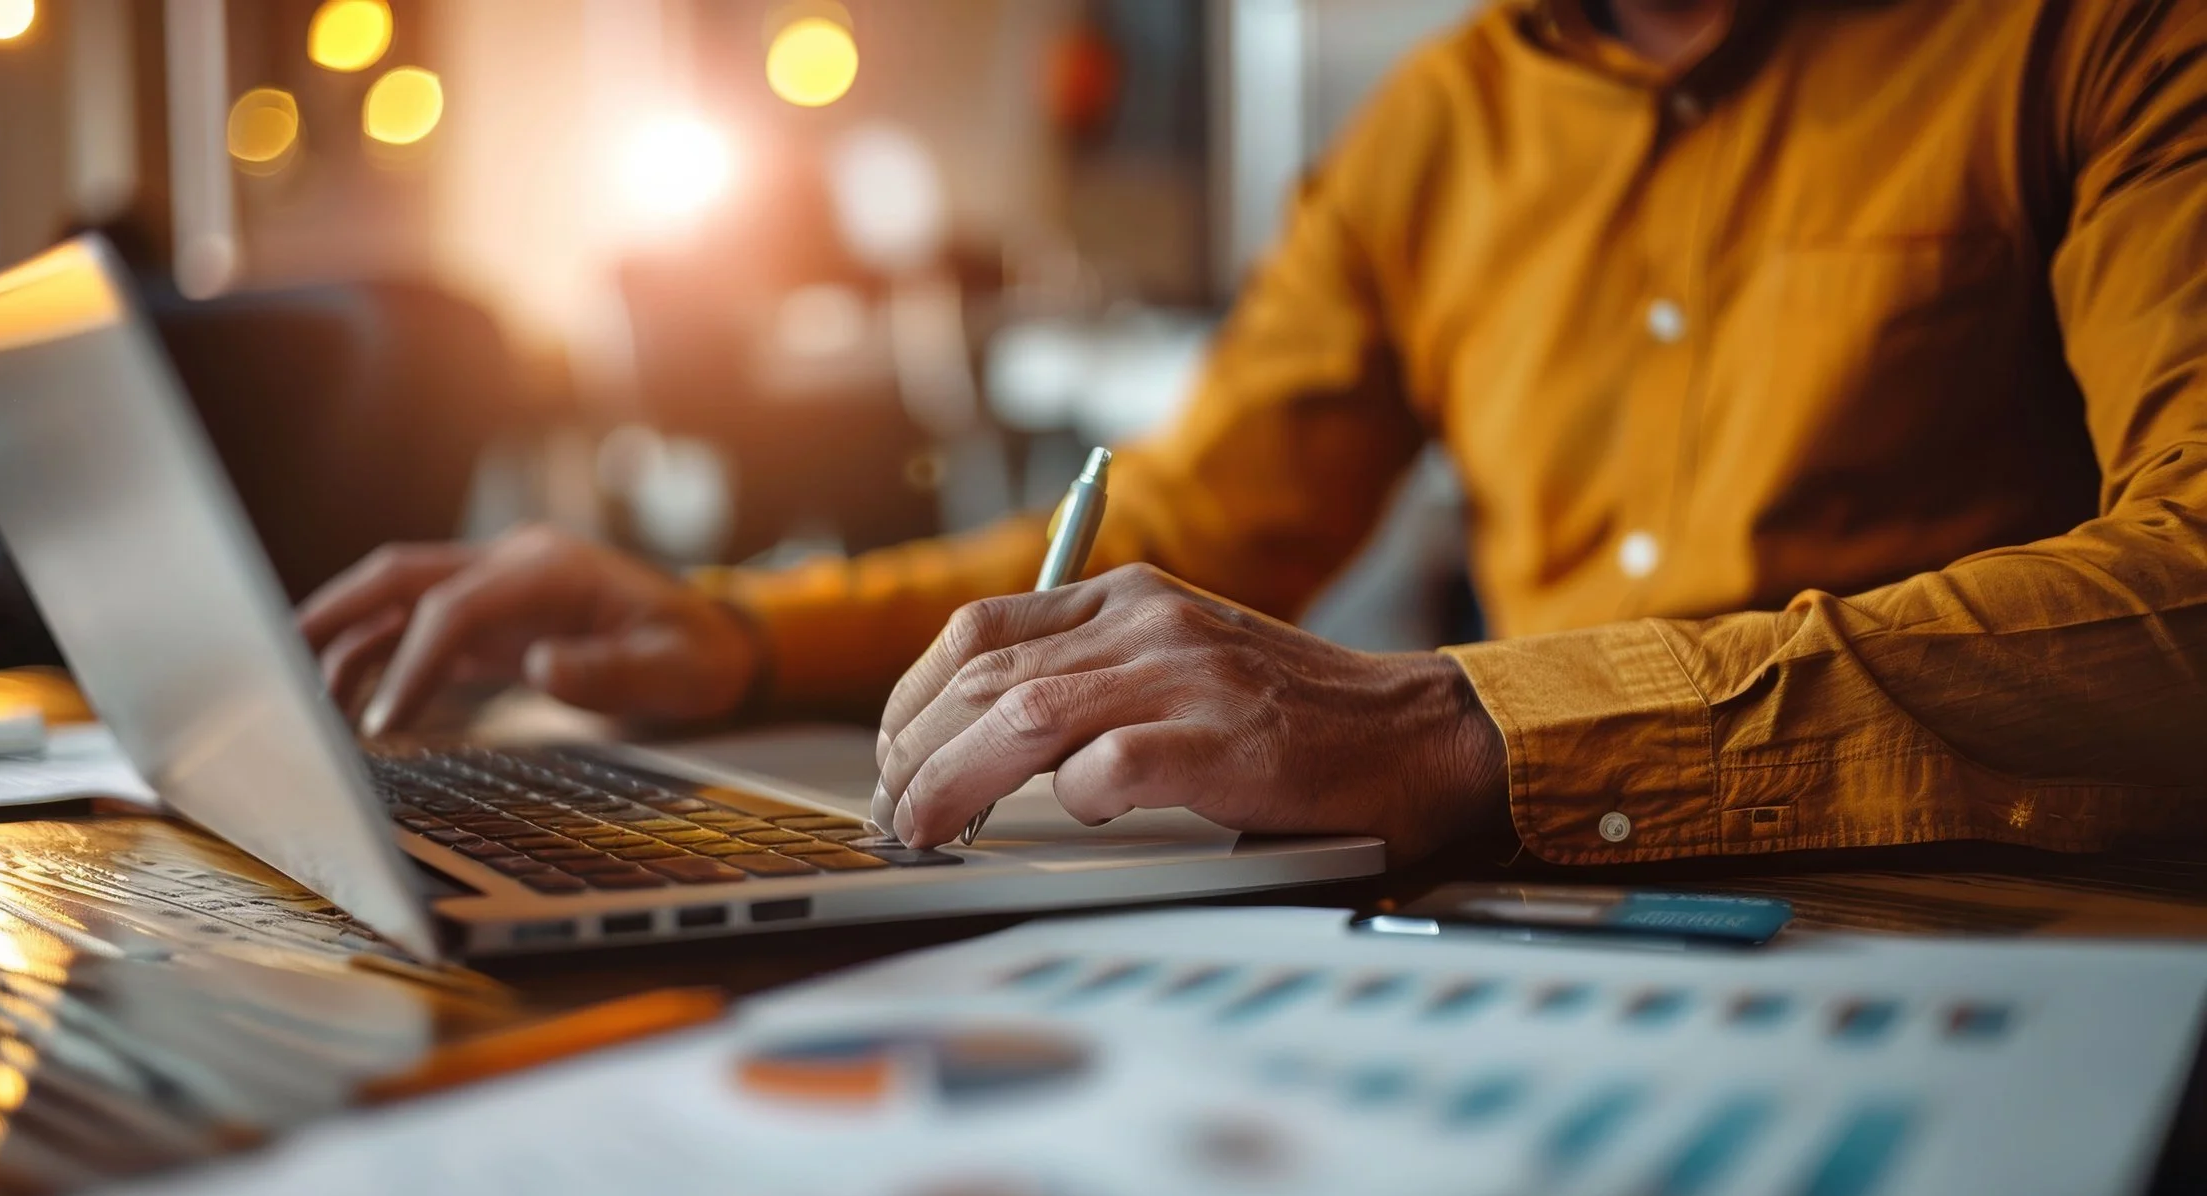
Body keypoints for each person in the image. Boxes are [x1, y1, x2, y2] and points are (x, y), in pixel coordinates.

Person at [299, 0, 2207, 864]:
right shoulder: (1439, 128)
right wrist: (730, 630)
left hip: (1990, 921)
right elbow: (1207, 514)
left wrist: (1462, 721)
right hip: (1517, 917)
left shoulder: (2106, 34)